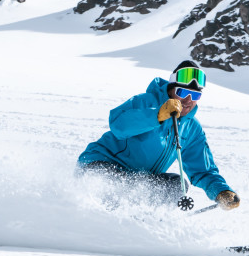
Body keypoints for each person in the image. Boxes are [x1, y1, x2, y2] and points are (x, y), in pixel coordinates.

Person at [77, 60, 240, 210]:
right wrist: (157, 116)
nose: (189, 100)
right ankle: (104, 224)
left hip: (137, 180)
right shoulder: (146, 102)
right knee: (121, 187)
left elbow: (203, 169)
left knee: (176, 185)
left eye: (195, 95)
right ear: (171, 90)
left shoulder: (191, 128)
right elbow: (119, 124)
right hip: (101, 167)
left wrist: (221, 191)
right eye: (183, 92)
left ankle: (145, 228)